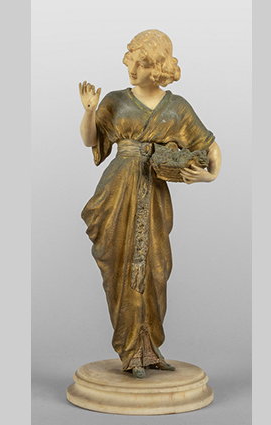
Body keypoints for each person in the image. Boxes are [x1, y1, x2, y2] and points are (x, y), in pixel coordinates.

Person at [79, 30, 222, 379]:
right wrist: (90, 111)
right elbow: (91, 141)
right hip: (117, 192)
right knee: (120, 266)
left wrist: (209, 176)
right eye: (132, 62)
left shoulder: (178, 107)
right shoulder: (115, 100)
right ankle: (130, 352)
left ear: (157, 67)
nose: (133, 70)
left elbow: (209, 146)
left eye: (143, 65)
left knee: (157, 269)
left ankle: (150, 349)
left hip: (154, 195)